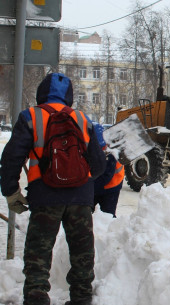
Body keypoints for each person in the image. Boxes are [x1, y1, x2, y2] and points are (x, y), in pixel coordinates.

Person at [0, 73, 106, 305]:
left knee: (38, 252)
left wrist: (11, 191)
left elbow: (11, 158)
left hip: (45, 196)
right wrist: (80, 180)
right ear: (69, 96)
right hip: (80, 197)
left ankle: (37, 298)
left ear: (41, 93)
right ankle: (81, 299)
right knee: (82, 252)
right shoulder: (82, 119)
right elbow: (99, 165)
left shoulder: (30, 117)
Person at [92, 122, 124, 217]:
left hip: (112, 185)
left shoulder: (109, 153)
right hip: (102, 184)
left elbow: (105, 176)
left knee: (108, 215)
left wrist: (89, 189)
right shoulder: (98, 147)